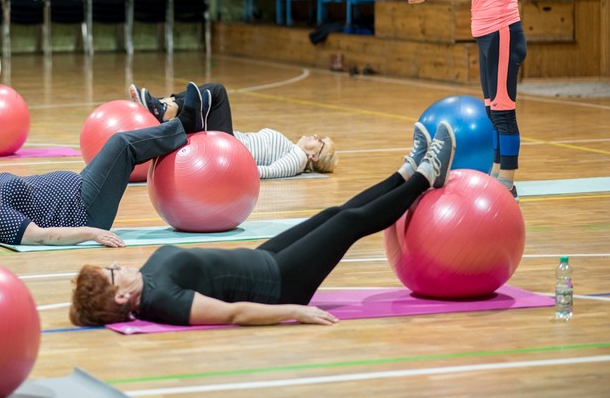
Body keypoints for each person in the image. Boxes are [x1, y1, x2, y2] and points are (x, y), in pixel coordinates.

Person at [68, 121, 455, 327]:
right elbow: (233, 314)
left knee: (332, 214)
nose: (119, 265)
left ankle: (403, 174)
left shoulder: (147, 286)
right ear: (121, 298)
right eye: (113, 272)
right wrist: (294, 311)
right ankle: (426, 175)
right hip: (280, 283)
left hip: (262, 260)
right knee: (350, 223)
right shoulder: (162, 302)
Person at [0, 82, 213, 248]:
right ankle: (184, 125)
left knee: (120, 148)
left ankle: (181, 124)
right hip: (85, 209)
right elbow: (41, 236)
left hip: (80, 187)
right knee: (121, 145)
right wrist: (91, 232)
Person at [393, 0, 525, 198]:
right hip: (485, 35)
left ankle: (506, 180)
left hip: (504, 32)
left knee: (504, 111)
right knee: (492, 111)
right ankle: (497, 173)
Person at [130, 83, 337, 176]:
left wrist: (231, 171)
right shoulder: (294, 150)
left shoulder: (298, 159)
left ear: (315, 156)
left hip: (228, 152)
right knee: (201, 103)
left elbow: (268, 172)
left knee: (217, 91)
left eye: (320, 142)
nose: (316, 136)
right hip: (227, 144)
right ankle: (165, 107)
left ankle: (167, 107)